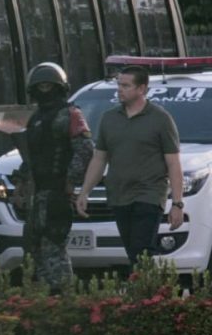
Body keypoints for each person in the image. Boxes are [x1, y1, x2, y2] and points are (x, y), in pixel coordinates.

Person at [77, 65, 183, 268]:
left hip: (149, 194)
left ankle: (147, 295)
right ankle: (147, 291)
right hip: (119, 195)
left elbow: (173, 163)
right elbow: (99, 159)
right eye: (119, 85)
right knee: (133, 251)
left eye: (126, 85)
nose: (120, 89)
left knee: (141, 249)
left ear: (142, 89)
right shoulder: (109, 118)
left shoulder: (160, 119)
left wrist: (177, 203)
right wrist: (85, 192)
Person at [17, 62, 94, 294]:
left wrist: (70, 181)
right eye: (40, 86)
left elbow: (85, 149)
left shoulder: (71, 114)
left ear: (59, 87)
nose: (44, 90)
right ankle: (42, 300)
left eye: (49, 85)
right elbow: (30, 157)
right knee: (33, 248)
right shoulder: (36, 118)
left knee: (53, 246)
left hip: (57, 195)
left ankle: (63, 300)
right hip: (37, 195)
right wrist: (20, 186)